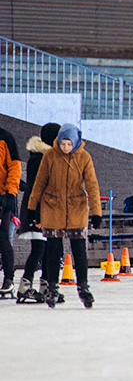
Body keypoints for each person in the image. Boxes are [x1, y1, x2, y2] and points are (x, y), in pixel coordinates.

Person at [25, 124, 101, 309]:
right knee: (53, 249)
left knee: (79, 249)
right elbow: (39, 183)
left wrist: (97, 212)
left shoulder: (84, 157)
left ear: (75, 142)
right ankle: (52, 286)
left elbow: (92, 184)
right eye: (62, 144)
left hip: (76, 208)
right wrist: (31, 207)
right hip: (53, 207)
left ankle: (83, 285)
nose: (65, 148)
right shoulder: (50, 156)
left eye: (69, 144)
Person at [15, 122, 60, 303]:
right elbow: (36, 188)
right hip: (37, 211)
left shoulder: (48, 157)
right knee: (39, 249)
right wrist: (37, 215)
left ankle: (46, 287)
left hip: (46, 210)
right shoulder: (40, 158)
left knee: (48, 249)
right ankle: (24, 287)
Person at [0, 127, 20, 298]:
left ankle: (8, 279)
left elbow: (14, 166)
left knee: (3, 236)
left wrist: (11, 193)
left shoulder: (6, 138)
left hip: (2, 196)